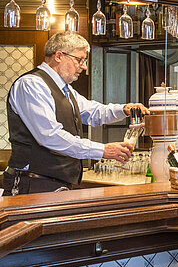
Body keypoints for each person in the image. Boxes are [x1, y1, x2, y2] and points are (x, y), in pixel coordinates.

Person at [3, 31, 148, 196]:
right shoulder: (31, 85)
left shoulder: (65, 89)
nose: (84, 66)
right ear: (59, 56)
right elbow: (50, 136)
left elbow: (93, 112)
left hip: (55, 185)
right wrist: (102, 150)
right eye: (79, 60)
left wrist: (124, 109)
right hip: (31, 184)